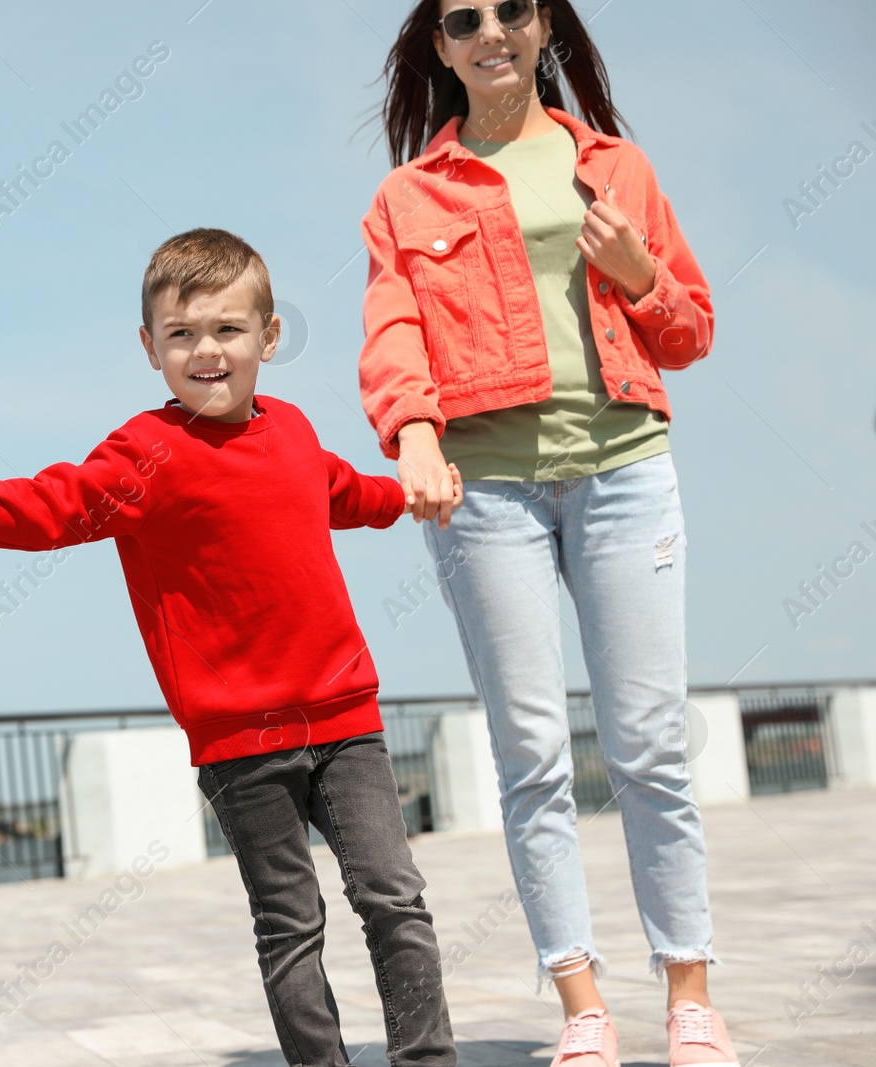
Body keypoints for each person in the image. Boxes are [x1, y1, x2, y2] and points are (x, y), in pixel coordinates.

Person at [0, 229, 462, 1067]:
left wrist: (408, 493)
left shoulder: (291, 430)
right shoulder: (145, 452)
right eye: (181, 335)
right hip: (240, 742)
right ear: (150, 347)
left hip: (346, 717)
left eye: (227, 329)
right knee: (292, 924)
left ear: (269, 336)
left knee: (395, 899)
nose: (206, 351)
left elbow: (345, 492)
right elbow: (50, 505)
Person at [360, 3, 736, 1066]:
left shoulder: (620, 170)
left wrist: (636, 274)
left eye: (512, 10)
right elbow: (393, 332)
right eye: (463, 18)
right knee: (529, 757)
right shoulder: (405, 195)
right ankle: (581, 1004)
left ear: (543, 29)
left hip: (622, 470)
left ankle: (690, 997)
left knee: (649, 746)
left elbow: (691, 327)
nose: (492, 31)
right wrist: (415, 436)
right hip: (486, 493)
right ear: (439, 46)